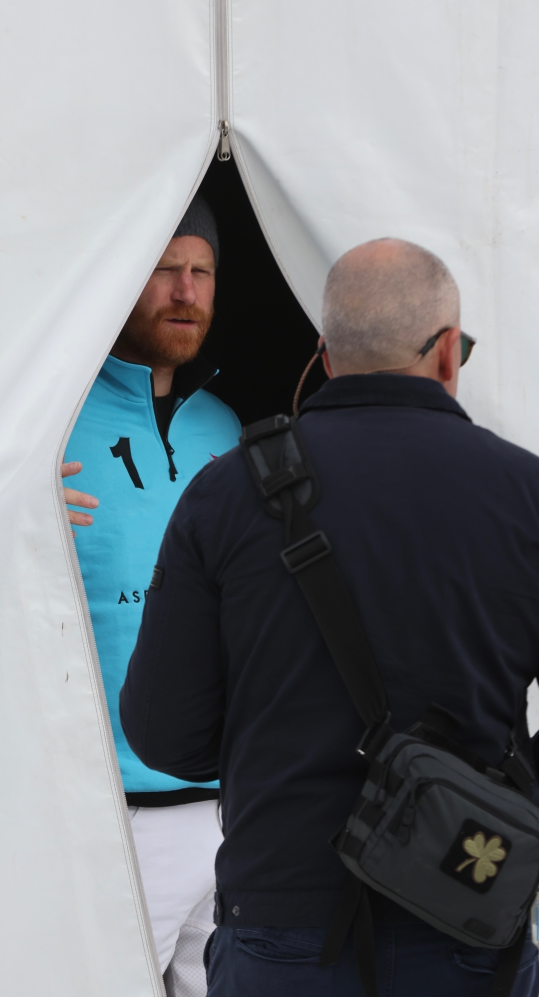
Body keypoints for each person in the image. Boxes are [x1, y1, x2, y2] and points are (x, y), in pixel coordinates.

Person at [119, 238, 539, 997]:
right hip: (473, 913)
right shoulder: (525, 493)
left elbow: (164, 735)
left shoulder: (225, 494)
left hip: (281, 924)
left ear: (325, 353)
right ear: (450, 351)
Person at [63, 194, 241, 997]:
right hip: (106, 809)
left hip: (231, 808)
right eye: (165, 269)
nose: (185, 291)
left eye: (201, 270)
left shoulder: (230, 427)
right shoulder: (48, 422)